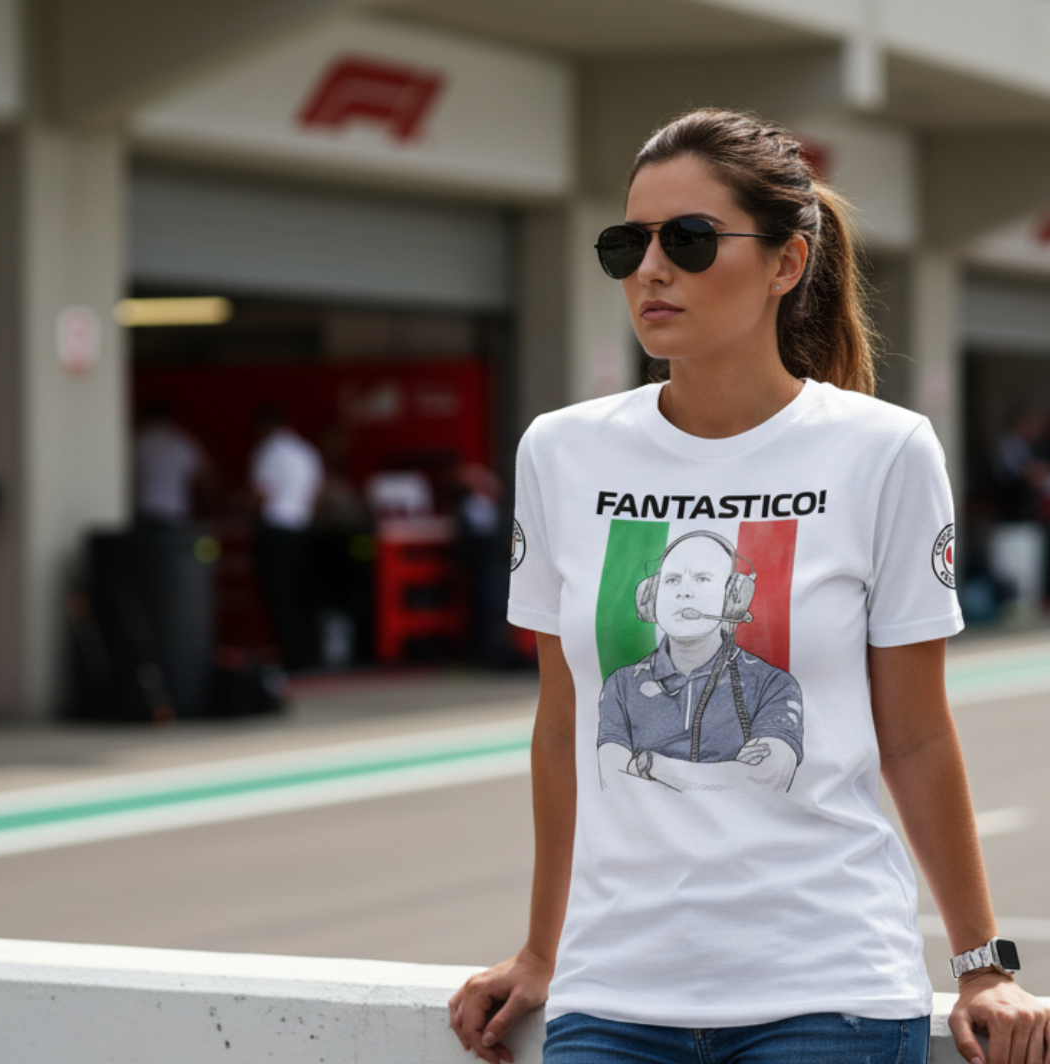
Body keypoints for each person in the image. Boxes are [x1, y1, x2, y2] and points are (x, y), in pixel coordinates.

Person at [449, 108, 1050, 1064]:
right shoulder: (560, 450)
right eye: (628, 242)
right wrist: (541, 949)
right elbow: (563, 726)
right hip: (612, 1000)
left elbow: (917, 733)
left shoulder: (884, 451)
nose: (651, 268)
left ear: (786, 263)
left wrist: (983, 963)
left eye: (688, 240)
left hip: (828, 993)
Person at [598, 530, 803, 795]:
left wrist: (651, 765)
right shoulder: (621, 685)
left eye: (702, 579)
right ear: (651, 597)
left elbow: (766, 782)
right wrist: (731, 773)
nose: (684, 593)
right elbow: (615, 786)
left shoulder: (773, 685)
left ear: (733, 598)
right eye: (671, 580)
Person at [250, 405, 324, 671]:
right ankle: (309, 652)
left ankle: (292, 655)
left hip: (276, 529)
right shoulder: (305, 451)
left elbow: (261, 494)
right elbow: (315, 493)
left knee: (280, 596)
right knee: (300, 594)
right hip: (301, 530)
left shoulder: (268, 450)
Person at [134, 398, 214, 526]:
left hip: (143, 513)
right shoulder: (182, 441)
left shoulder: (138, 441)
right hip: (175, 513)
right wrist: (211, 511)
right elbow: (207, 479)